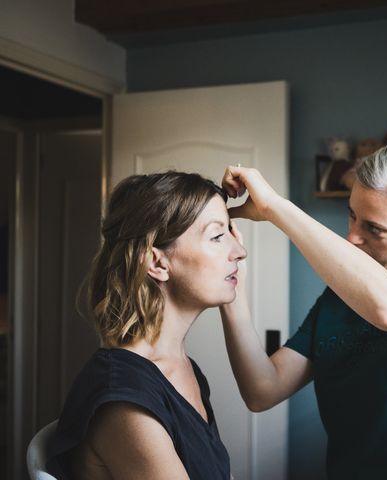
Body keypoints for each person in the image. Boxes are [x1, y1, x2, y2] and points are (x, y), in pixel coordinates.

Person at [220, 138, 387, 479]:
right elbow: (262, 391)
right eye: (352, 215)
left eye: (374, 228)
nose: (352, 236)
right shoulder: (339, 298)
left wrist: (276, 209)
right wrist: (230, 289)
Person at [47, 172, 245, 479]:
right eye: (218, 236)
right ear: (157, 263)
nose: (239, 251)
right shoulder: (125, 402)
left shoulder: (181, 367)